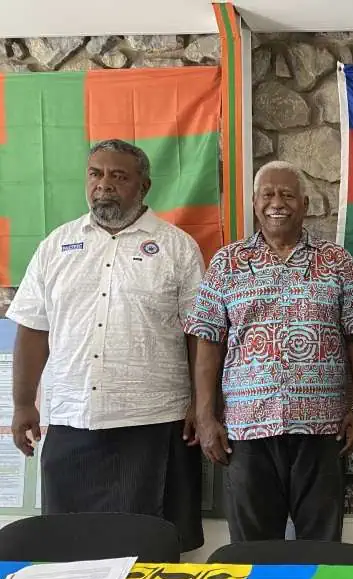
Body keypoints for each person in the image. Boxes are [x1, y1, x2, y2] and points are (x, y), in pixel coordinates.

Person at [6, 139, 205, 551]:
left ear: (144, 186)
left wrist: (200, 404)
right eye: (96, 174)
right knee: (67, 550)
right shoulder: (56, 245)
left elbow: (199, 332)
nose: (104, 184)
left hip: (153, 423)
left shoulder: (177, 247)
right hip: (71, 420)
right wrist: (23, 403)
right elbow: (33, 328)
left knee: (148, 551)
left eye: (119, 176)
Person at [186, 160, 353, 543]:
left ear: (305, 203)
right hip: (247, 429)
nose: (277, 203)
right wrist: (205, 416)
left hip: (323, 428)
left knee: (321, 548)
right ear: (254, 203)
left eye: (287, 195)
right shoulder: (227, 263)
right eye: (267, 194)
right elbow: (208, 341)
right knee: (253, 550)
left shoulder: (337, 262)